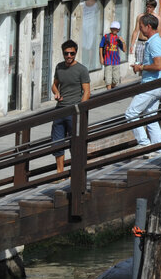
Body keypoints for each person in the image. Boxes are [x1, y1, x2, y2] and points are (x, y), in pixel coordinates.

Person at [126, 13, 161, 154]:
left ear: (148, 27)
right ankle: (160, 150)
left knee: (131, 113)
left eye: (141, 27)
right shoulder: (159, 41)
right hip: (157, 86)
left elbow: (158, 65)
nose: (140, 29)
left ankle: (144, 144)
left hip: (151, 85)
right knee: (150, 118)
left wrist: (141, 67)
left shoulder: (154, 43)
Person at [51, 40, 91, 174]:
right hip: (59, 109)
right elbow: (54, 85)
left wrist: (80, 109)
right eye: (66, 53)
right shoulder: (59, 67)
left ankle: (76, 170)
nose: (69, 56)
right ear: (63, 53)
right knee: (57, 142)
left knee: (76, 143)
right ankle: (59, 173)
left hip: (74, 111)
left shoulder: (82, 70)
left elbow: (87, 91)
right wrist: (56, 93)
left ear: (76, 53)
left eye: (72, 53)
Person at [130, 0, 159, 65]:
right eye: (147, 7)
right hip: (140, 42)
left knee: (148, 62)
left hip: (150, 42)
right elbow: (136, 31)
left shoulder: (156, 18)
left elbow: (158, 32)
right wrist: (132, 44)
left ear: (154, 8)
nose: (148, 9)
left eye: (150, 7)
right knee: (138, 63)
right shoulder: (140, 17)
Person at [99, 21, 126, 90]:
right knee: (108, 80)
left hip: (116, 61)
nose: (114, 30)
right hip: (107, 60)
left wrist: (123, 42)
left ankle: (111, 88)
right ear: (111, 29)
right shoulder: (106, 37)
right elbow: (101, 46)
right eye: (113, 28)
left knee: (116, 80)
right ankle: (109, 93)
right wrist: (101, 58)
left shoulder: (118, 39)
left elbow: (124, 50)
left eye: (116, 29)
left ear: (118, 30)